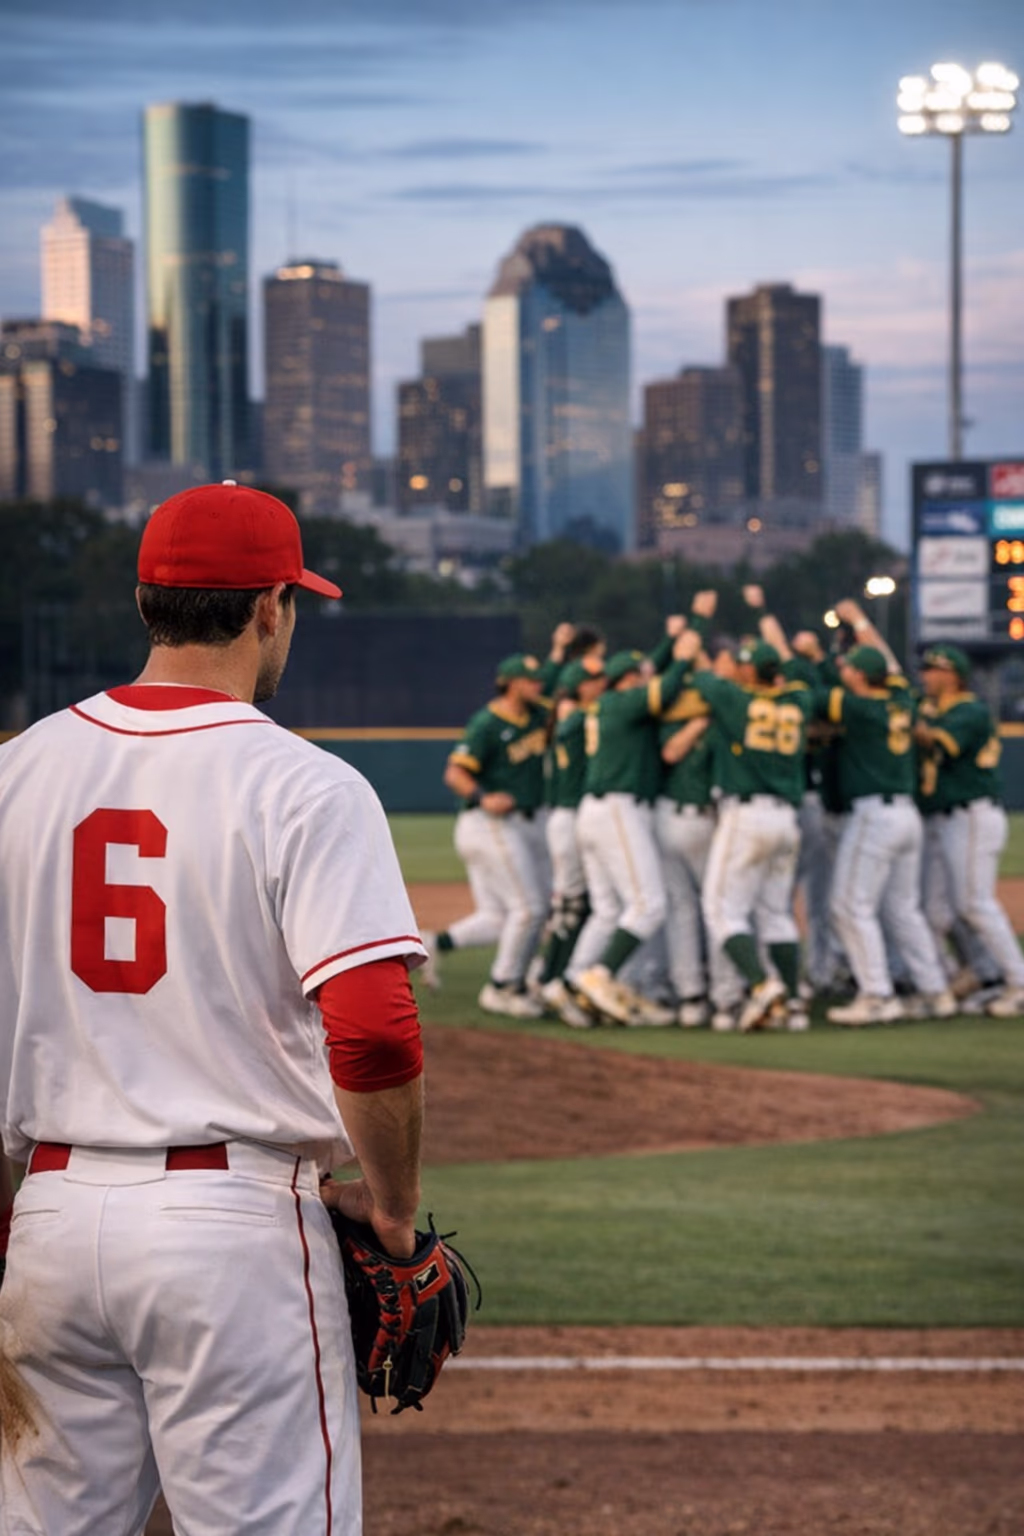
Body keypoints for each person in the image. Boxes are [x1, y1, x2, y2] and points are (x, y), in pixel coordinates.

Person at [0, 482, 427, 1535]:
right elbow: (371, 1027)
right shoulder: (306, 785)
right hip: (230, 1235)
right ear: (272, 606)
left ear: (146, 600)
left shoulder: (16, 770)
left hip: (50, 1225)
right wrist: (394, 1212)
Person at [813, 612, 957, 1027]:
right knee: (901, 909)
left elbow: (813, 696)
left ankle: (876, 994)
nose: (845, 673)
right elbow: (891, 669)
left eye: (850, 668)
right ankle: (935, 991)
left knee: (848, 905)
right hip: (906, 815)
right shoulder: (901, 699)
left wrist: (810, 656)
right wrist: (860, 623)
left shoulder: (860, 707)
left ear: (859, 675)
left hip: (875, 815)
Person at [678, 589, 812, 1033]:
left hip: (747, 816)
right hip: (786, 820)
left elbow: (697, 668)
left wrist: (695, 625)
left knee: (720, 910)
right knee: (776, 913)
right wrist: (761, 610)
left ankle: (759, 986)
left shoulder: (735, 698)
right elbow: (789, 660)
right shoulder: (798, 700)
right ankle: (793, 1006)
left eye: (740, 662)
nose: (732, 665)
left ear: (749, 670)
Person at [430, 651, 555, 1017]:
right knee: (530, 908)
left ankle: (435, 943)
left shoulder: (537, 715)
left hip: (522, 824)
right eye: (530, 680)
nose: (537, 685)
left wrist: (559, 651)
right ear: (511, 683)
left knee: (499, 917)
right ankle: (503, 986)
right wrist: (484, 797)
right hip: (492, 825)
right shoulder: (487, 722)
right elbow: (454, 774)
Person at [914, 643, 1024, 1018]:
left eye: (934, 670)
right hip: (947, 818)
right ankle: (979, 975)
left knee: (974, 903)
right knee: (939, 911)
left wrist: (901, 720)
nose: (926, 675)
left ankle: (1018, 982)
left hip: (972, 814)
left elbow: (935, 740)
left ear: (952, 675)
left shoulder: (970, 710)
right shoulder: (935, 709)